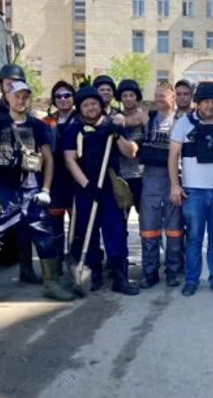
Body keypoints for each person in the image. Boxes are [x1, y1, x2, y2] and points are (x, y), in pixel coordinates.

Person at [0, 81, 75, 312]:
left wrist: (45, 189)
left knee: (45, 237)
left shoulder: (38, 126)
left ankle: (51, 284)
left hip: (32, 193)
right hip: (3, 193)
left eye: (26, 96)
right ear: (7, 97)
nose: (21, 100)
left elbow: (48, 159)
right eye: (17, 96)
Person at [62, 86, 140, 295]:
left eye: (94, 103)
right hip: (85, 188)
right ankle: (93, 275)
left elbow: (131, 152)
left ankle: (120, 279)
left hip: (110, 186)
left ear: (100, 105)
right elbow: (70, 160)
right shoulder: (74, 129)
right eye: (86, 105)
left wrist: (117, 136)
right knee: (88, 232)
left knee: (115, 231)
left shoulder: (112, 125)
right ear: (80, 109)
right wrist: (87, 186)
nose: (90, 108)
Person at [169, 82, 213, 297]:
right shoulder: (183, 123)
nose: (210, 106)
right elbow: (173, 156)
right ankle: (191, 280)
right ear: (197, 103)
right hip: (194, 192)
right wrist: (175, 184)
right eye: (205, 102)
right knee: (194, 238)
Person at [0, 63, 41, 285]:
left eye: (16, 81)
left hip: (25, 177)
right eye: (8, 82)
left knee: (25, 227)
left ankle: (27, 270)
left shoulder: (27, 109)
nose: (12, 85)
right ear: (1, 85)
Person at [136, 83, 184, 289]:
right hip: (150, 178)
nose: (158, 99)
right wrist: (117, 120)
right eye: (156, 95)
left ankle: (173, 271)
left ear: (172, 97)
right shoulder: (148, 118)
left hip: (175, 178)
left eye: (162, 95)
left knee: (174, 230)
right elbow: (128, 120)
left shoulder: (182, 120)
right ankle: (149, 273)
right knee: (149, 229)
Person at [45, 80, 78, 266]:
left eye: (67, 95)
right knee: (55, 226)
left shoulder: (81, 119)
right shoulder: (46, 122)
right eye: (58, 96)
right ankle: (56, 266)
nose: (63, 99)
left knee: (78, 225)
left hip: (76, 178)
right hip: (55, 179)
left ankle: (76, 263)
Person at [116, 79, 145, 213]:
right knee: (121, 220)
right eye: (124, 96)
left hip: (142, 175)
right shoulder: (115, 119)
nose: (128, 99)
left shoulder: (146, 118)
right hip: (121, 176)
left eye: (131, 95)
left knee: (146, 220)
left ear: (137, 97)